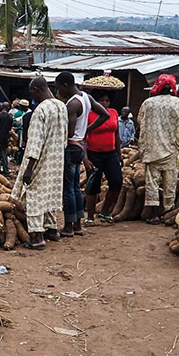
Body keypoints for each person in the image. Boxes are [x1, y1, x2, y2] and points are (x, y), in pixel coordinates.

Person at [11, 77, 68, 250]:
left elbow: (35, 142)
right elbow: (65, 136)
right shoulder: (61, 106)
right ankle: (52, 230)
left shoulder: (40, 110)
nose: (32, 95)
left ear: (37, 89)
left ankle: (37, 237)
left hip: (40, 159)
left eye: (32, 92)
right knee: (49, 193)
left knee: (33, 194)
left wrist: (29, 168)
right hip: (56, 159)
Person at [55, 71, 109, 237]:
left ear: (65, 85)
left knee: (68, 189)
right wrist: (86, 131)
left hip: (71, 147)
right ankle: (78, 225)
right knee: (76, 187)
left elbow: (69, 132)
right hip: (81, 147)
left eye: (58, 88)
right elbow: (104, 115)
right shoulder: (86, 97)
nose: (58, 92)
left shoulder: (72, 104)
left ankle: (69, 227)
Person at [137, 74, 179, 224]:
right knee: (170, 181)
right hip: (170, 148)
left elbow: (140, 122)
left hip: (152, 148)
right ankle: (168, 212)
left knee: (152, 182)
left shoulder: (148, 103)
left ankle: (154, 215)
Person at [84, 91, 122, 225]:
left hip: (110, 153)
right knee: (93, 185)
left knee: (117, 182)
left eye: (107, 100)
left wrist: (119, 153)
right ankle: (89, 216)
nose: (105, 103)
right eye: (102, 100)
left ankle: (105, 211)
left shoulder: (113, 113)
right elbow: (82, 138)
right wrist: (86, 158)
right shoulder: (89, 114)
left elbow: (116, 134)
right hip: (93, 153)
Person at [0, 102, 13, 174]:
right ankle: (6, 170)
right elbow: (9, 129)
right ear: (8, 108)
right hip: (5, 137)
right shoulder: (10, 117)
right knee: (4, 154)